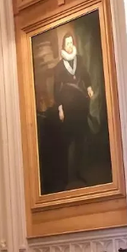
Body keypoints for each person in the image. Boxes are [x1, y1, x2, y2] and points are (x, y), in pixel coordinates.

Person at [53, 32, 95, 188]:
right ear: (63, 46)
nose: (69, 46)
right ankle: (67, 175)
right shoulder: (58, 67)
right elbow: (56, 88)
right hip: (68, 106)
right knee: (68, 140)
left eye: (71, 43)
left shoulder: (80, 60)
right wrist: (60, 108)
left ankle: (78, 172)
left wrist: (89, 87)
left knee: (80, 139)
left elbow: (86, 75)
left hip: (80, 105)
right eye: (67, 43)